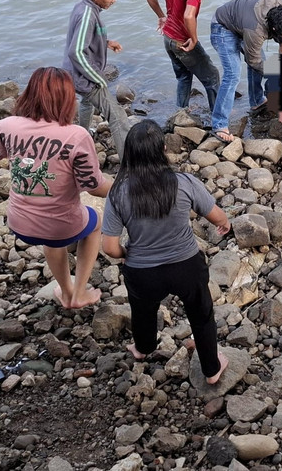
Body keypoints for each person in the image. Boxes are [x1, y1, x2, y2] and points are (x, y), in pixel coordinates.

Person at [101, 119, 231, 385]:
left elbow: (109, 247)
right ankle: (211, 369)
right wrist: (224, 224)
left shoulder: (118, 192)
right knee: (201, 314)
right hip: (186, 266)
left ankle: (143, 348)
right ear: (162, 149)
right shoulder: (184, 182)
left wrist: (127, 252)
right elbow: (216, 215)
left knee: (143, 309)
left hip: (142, 271)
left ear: (130, 153)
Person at [0, 67, 111, 309]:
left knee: (52, 236)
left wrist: (16, 147)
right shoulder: (76, 135)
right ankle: (78, 293)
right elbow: (95, 187)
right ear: (68, 99)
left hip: (19, 224)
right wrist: (127, 186)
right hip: (61, 226)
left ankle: (65, 290)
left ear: (30, 94)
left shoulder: (8, 126)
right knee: (95, 222)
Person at [209, 0, 282, 142]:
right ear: (275, 29)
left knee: (261, 63)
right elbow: (253, 61)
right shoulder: (256, 31)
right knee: (233, 75)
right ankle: (219, 124)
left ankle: (257, 101)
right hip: (223, 27)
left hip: (242, 22)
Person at [143, 0, 219, 111]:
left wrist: (162, 17)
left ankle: (180, 112)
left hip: (167, 39)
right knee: (212, 77)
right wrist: (194, 38)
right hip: (182, 42)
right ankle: (219, 119)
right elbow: (188, 15)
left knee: (184, 77)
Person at [63, 0, 130, 158]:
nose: (113, 1)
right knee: (118, 118)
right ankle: (130, 165)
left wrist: (106, 42)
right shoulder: (87, 15)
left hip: (75, 74)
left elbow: (84, 37)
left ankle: (82, 135)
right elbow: (76, 51)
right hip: (83, 77)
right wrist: (97, 78)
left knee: (86, 103)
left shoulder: (84, 7)